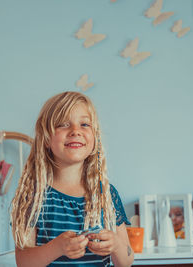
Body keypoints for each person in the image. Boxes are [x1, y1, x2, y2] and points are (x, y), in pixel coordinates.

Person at [11, 91, 134, 267]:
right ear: (46, 138)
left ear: (95, 137)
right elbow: (23, 262)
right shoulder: (33, 196)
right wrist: (57, 248)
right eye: (63, 124)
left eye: (84, 124)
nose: (75, 131)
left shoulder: (106, 194)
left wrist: (115, 244)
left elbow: (127, 261)